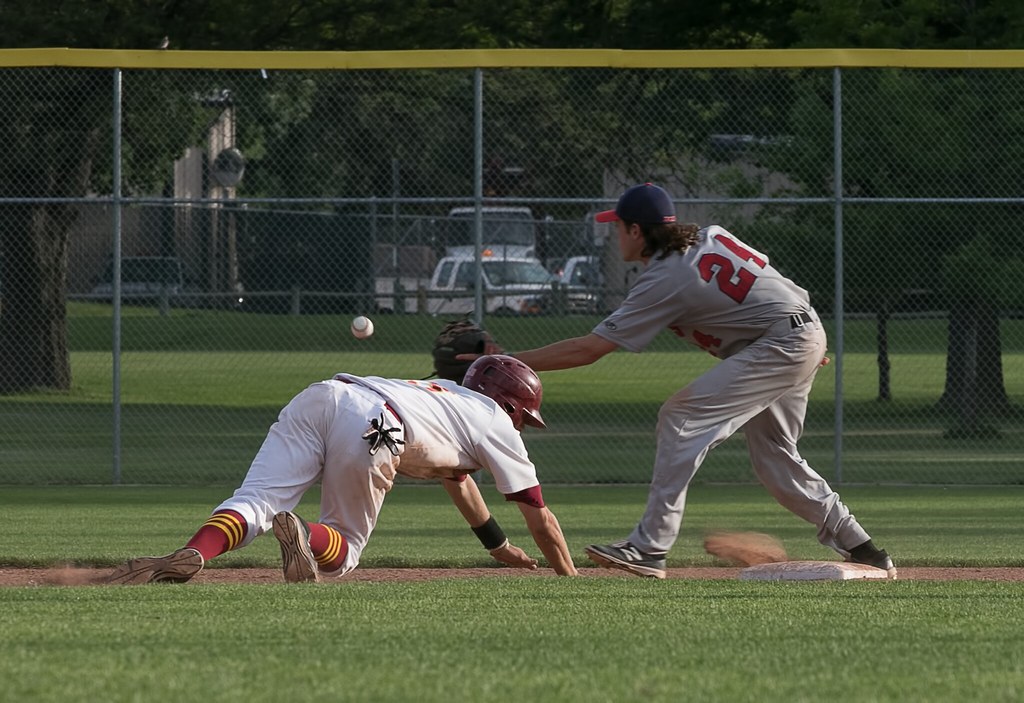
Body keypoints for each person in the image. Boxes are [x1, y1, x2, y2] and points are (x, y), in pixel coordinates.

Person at [500, 182, 896, 579]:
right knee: (776, 457)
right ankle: (863, 547)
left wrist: (500, 360)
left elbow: (589, 349)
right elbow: (771, 282)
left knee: (681, 416)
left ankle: (649, 546)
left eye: (618, 226)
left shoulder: (664, 278)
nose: (614, 233)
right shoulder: (711, 236)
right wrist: (806, 340)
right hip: (795, 331)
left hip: (782, 342)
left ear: (637, 231)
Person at [107, 355, 577, 584]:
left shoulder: (446, 394)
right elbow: (540, 514)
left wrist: (498, 546)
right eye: (524, 415)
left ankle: (194, 552)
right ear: (513, 406)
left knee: (254, 501)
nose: (522, 425)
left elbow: (458, 481)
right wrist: (568, 577)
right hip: (379, 426)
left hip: (326, 393)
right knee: (344, 549)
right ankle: (303, 532)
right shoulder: (497, 422)